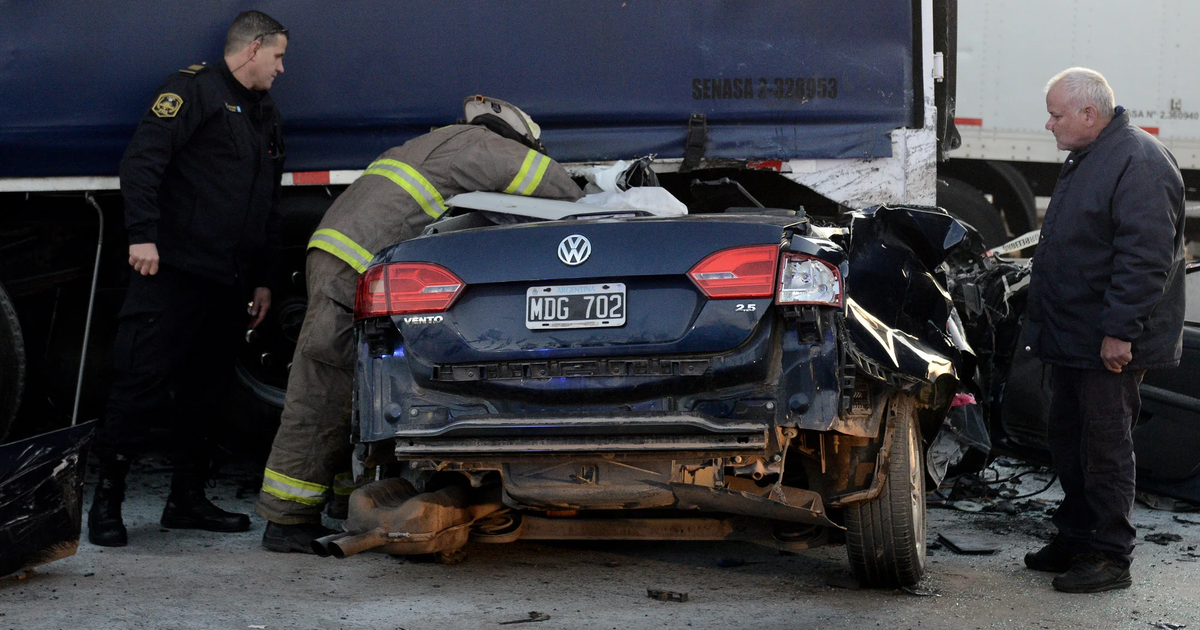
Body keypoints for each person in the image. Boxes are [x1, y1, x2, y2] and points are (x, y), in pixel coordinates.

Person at [257, 96, 585, 552]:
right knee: (325, 384)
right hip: (354, 265)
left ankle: (336, 501)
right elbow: (551, 183)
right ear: (515, 137)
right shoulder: (481, 145)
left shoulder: (438, 143)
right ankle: (286, 520)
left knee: (361, 387)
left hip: (343, 257)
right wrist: (593, 202)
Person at [88, 10, 289, 547]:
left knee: (208, 394)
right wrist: (141, 235)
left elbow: (268, 201)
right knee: (140, 385)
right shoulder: (192, 91)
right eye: (278, 56)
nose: (282, 68)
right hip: (172, 273)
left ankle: (187, 500)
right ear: (252, 50)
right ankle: (106, 505)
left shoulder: (264, 112)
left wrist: (264, 279)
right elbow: (142, 163)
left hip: (229, 281)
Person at [1022, 67, 1186, 592]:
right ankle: (1076, 536)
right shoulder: (1092, 155)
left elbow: (1145, 259)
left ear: (1089, 114)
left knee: (1106, 447)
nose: (1048, 124)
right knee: (1068, 439)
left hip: (1107, 342)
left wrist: (1120, 331)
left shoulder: (1138, 160)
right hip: (1074, 335)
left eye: (1055, 113)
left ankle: (1111, 556)